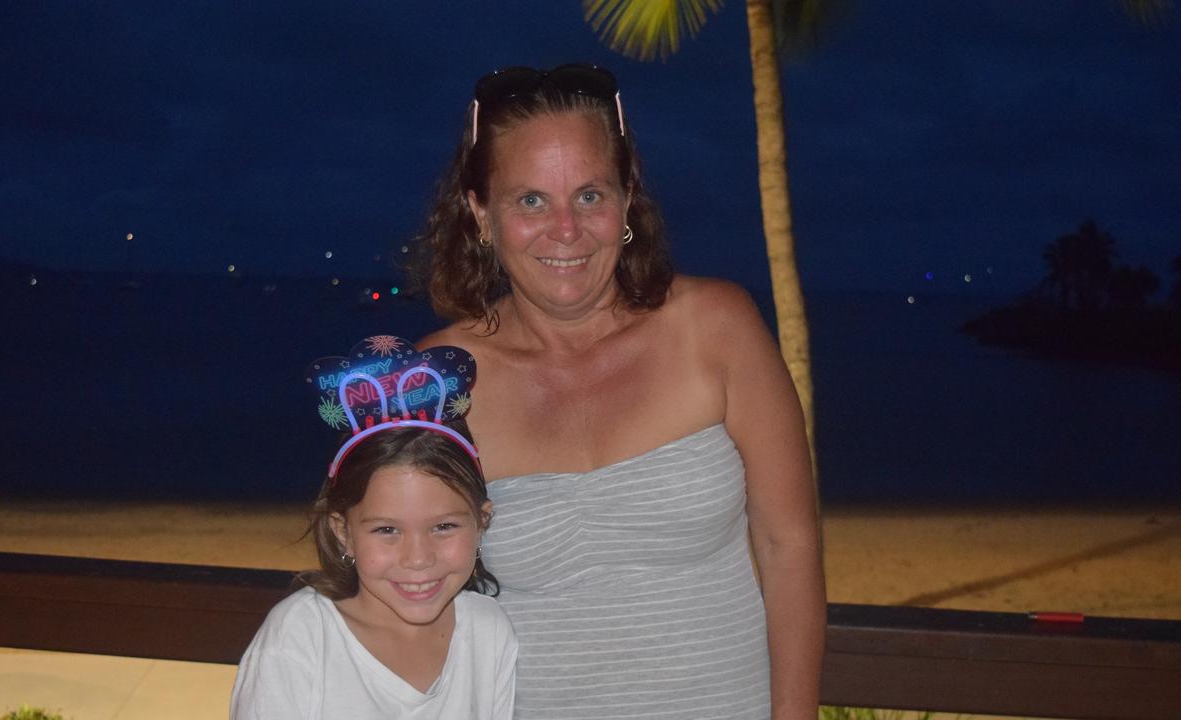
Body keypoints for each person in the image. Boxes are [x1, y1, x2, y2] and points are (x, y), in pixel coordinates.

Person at [412, 64, 825, 719]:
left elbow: (789, 548)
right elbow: (396, 578)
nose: (566, 229)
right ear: (480, 212)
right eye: (530, 200)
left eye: (589, 195)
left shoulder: (715, 328)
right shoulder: (439, 380)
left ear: (627, 198)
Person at [231, 337, 518, 719]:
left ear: (482, 521)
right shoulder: (301, 638)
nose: (418, 559)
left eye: (444, 526)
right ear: (342, 530)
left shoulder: (489, 630)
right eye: (387, 530)